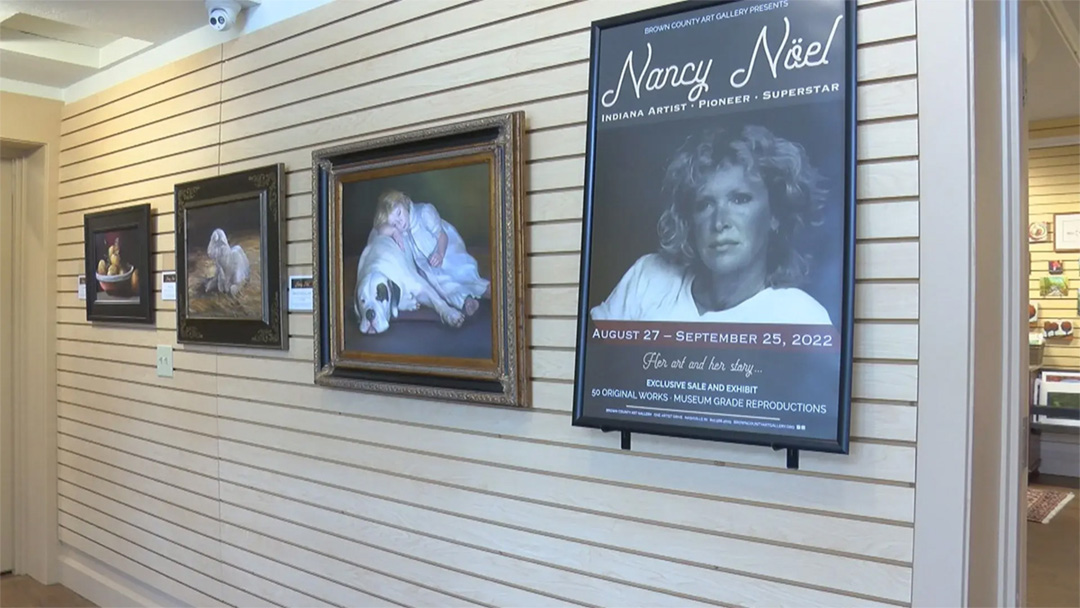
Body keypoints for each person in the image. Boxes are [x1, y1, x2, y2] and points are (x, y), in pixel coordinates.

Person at [590, 124, 833, 325]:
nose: (719, 223)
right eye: (705, 204)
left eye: (740, 199)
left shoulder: (801, 317)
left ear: (775, 215)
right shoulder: (650, 278)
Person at [372, 190, 490, 317]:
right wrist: (394, 231)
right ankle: (467, 301)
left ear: (404, 202)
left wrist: (440, 253)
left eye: (399, 214)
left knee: (463, 275)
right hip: (430, 267)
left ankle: (489, 291)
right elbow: (379, 229)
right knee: (444, 287)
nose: (400, 223)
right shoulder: (402, 231)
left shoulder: (424, 212)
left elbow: (442, 236)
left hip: (447, 252)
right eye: (395, 223)